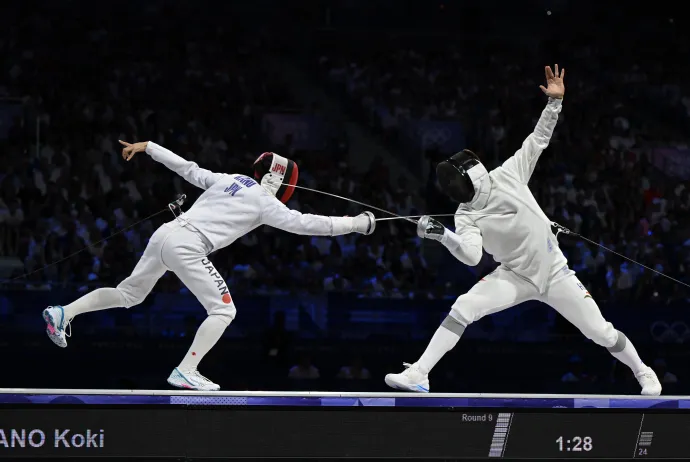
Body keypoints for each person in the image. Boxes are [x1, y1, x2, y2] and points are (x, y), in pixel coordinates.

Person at [384, 65, 662, 396]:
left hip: (555, 273)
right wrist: (444, 236)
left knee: (601, 333)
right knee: (464, 306)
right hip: (514, 275)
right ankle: (420, 373)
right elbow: (473, 258)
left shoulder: (508, 174)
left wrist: (555, 102)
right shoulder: (465, 214)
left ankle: (643, 371)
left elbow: (538, 138)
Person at [42, 141, 375, 391]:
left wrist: (148, 147)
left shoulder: (232, 180)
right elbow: (306, 224)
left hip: (166, 234)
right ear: (280, 178)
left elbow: (188, 168)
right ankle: (187, 370)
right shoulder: (265, 203)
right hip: (187, 246)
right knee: (224, 311)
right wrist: (356, 224)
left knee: (129, 294)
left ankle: (63, 312)